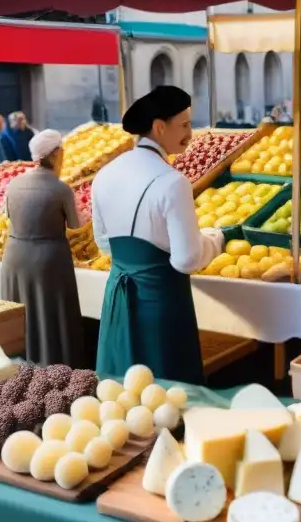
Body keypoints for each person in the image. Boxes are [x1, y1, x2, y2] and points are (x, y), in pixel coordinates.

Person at [91, 86, 224, 383]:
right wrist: (216, 240)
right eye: (186, 125)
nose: (191, 134)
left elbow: (103, 243)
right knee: (166, 393)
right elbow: (187, 259)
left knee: (120, 392)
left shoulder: (105, 174)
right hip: (161, 301)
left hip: (118, 295)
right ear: (160, 127)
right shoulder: (172, 182)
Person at [0, 130, 83, 367]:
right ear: (57, 154)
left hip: (14, 255)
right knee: (51, 316)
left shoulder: (14, 184)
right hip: (48, 258)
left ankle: (20, 367)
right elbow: (76, 226)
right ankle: (56, 369)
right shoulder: (60, 189)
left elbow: (7, 215)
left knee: (23, 315)